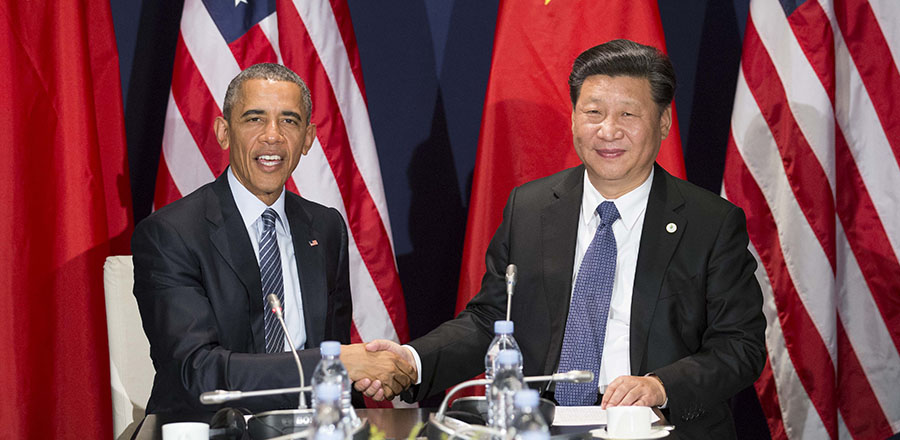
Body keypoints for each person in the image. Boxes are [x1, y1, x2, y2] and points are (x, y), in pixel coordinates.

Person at [360, 40, 766, 438]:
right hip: (541, 423)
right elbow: (490, 321)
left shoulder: (710, 223)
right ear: (573, 119)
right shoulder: (530, 208)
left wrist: (661, 386)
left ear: (663, 122)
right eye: (593, 112)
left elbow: (740, 345)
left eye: (628, 114)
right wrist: (412, 361)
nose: (608, 130)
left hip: (654, 426)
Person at [132, 63, 415, 416]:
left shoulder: (325, 227)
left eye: (289, 121)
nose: (273, 136)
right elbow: (197, 373)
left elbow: (336, 367)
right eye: (254, 119)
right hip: (211, 428)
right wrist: (335, 362)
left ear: (308, 139)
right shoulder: (171, 233)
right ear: (224, 132)